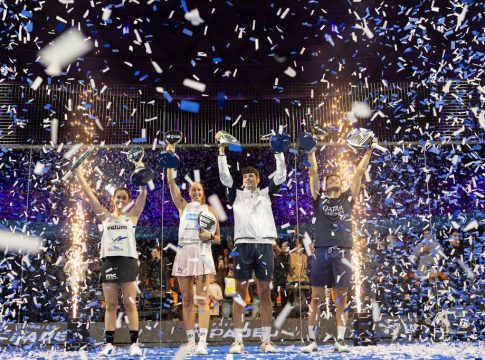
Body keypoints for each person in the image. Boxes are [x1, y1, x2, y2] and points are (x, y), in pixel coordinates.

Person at [301, 138, 376, 353]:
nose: (332, 180)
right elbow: (313, 173)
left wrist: (368, 151)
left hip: (344, 251)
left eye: (336, 178)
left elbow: (359, 173)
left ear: (340, 184)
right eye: (329, 179)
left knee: (341, 297)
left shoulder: (347, 198)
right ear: (325, 186)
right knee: (316, 297)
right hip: (321, 251)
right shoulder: (319, 198)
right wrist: (311, 152)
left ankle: (340, 340)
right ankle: (311, 340)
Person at [216, 131, 287, 354]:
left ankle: (266, 341)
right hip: (242, 246)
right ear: (242, 180)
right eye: (245, 176)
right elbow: (225, 177)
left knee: (265, 293)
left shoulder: (266, 194)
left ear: (257, 180)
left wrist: (278, 152)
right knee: (239, 292)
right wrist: (221, 152)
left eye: (252, 176)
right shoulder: (235, 195)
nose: (248, 178)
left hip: (265, 245)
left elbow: (282, 174)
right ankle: (238, 341)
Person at [74, 168, 147, 357]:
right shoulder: (105, 217)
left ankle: (134, 344)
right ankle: (109, 344)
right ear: (113, 199)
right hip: (109, 262)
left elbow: (143, 192)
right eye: (118, 197)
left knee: (130, 303)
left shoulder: (132, 217)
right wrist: (80, 175)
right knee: (111, 304)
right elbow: (90, 195)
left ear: (128, 200)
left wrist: (139, 170)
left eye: (124, 197)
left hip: (128, 261)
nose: (121, 200)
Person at [166, 142, 221, 356]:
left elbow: (217, 239)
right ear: (189, 192)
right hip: (184, 252)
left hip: (202, 253)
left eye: (199, 189)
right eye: (193, 189)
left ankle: (203, 342)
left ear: (203, 192)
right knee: (186, 300)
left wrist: (209, 236)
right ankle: (190, 341)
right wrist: (171, 158)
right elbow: (171, 183)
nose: (196, 191)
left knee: (202, 299)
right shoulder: (183, 206)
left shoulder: (210, 210)